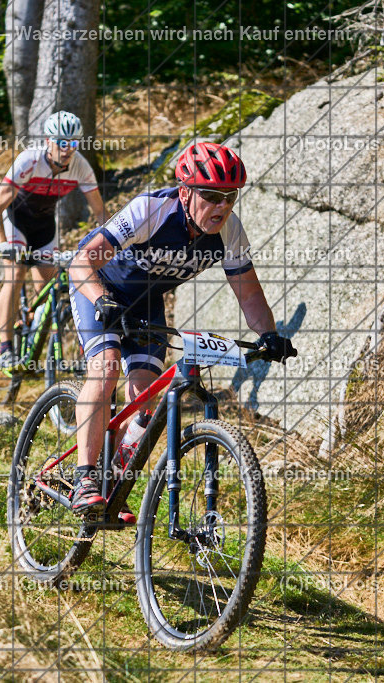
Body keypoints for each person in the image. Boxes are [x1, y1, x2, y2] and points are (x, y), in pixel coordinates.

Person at [67, 141, 296, 520]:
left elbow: (249, 293)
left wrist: (269, 336)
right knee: (106, 367)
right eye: (212, 196)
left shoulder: (229, 232)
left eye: (230, 196)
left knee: (144, 397)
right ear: (186, 192)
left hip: (146, 304)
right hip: (100, 289)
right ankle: (85, 478)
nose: (222, 206)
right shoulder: (151, 210)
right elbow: (81, 263)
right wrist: (100, 300)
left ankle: (110, 480)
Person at [0, 111, 109, 369]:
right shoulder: (28, 161)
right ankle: (5, 347)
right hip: (16, 222)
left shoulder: (80, 167)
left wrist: (111, 243)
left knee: (47, 290)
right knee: (15, 273)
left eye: (73, 143)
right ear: (48, 141)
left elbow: (100, 212)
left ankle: (28, 328)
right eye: (62, 143)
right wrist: (2, 245)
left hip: (44, 227)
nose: (67, 150)